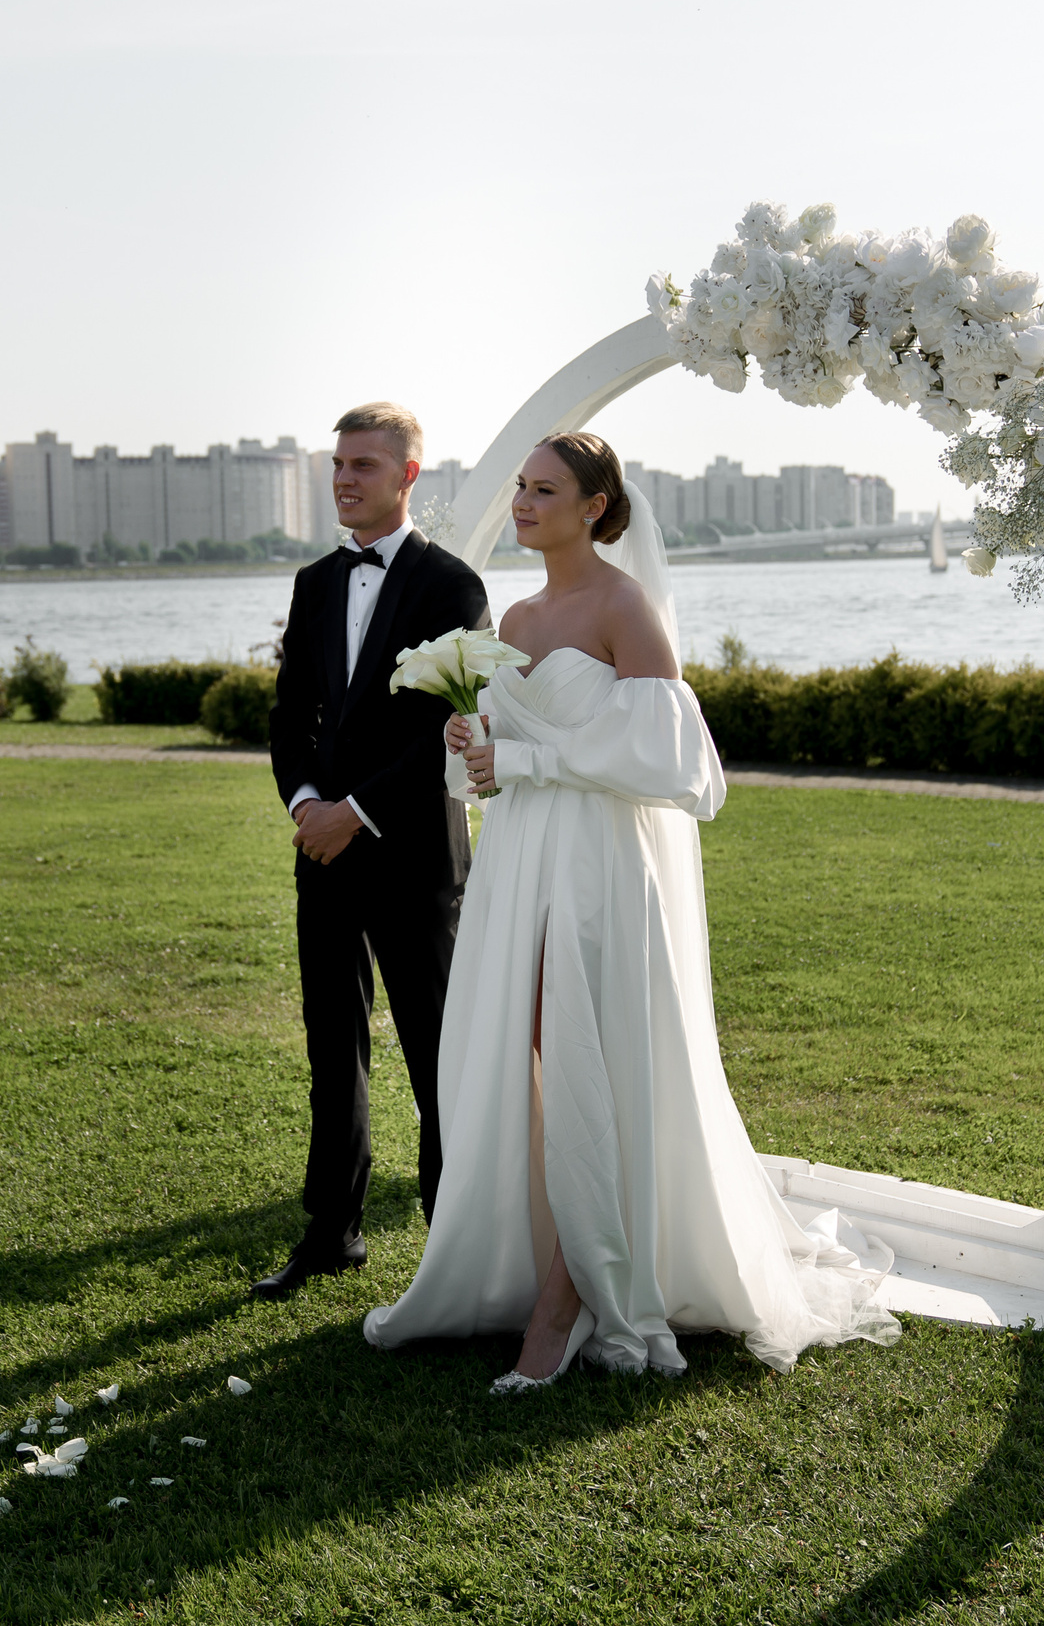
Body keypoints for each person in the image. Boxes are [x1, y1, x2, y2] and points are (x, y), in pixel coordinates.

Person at [362, 432, 898, 1389]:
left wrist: (525, 757)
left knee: (582, 1059)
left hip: (600, 865)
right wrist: (468, 740)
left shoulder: (625, 607)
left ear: (596, 507)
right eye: (521, 487)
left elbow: (675, 766)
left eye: (544, 489)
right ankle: (535, 1266)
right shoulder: (515, 616)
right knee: (521, 1064)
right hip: (521, 861)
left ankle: (568, 1301)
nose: (522, 503)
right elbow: (484, 774)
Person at [257, 403, 491, 1300]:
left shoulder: (452, 585)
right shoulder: (315, 581)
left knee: (440, 1054)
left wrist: (356, 807)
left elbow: (445, 722)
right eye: (337, 464)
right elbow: (291, 715)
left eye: (362, 464)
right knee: (332, 1047)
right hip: (323, 853)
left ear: (408, 476)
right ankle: (331, 1232)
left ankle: (452, 1240)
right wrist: (309, 800)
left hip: (415, 857)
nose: (344, 478)